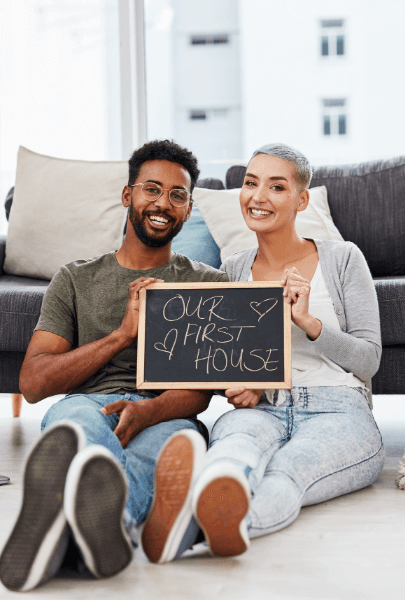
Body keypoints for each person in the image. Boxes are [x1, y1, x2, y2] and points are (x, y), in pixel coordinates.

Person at [0, 140, 228, 592]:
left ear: (187, 209)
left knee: (173, 450)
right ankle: (103, 530)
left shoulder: (206, 283)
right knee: (77, 431)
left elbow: (202, 392)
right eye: (152, 190)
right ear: (128, 196)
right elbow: (34, 382)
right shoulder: (75, 279)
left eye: (177, 195)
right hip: (88, 405)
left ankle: (76, 528)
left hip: (167, 412)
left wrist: (147, 412)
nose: (163, 204)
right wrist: (122, 335)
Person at [146, 143, 385, 563]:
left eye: (276, 187)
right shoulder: (234, 269)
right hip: (261, 408)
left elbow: (369, 360)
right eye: (250, 183)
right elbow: (225, 360)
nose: (258, 197)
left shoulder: (344, 258)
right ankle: (201, 512)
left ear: (301, 200)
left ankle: (194, 529)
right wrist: (236, 386)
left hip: (338, 407)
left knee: (287, 471)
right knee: (232, 454)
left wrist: (309, 323)